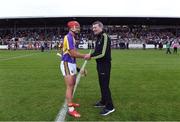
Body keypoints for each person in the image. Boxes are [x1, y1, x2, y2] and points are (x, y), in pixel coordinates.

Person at [85, 21, 115, 116]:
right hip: (100, 65)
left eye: (95, 27)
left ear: (101, 28)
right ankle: (103, 101)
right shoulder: (98, 38)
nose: (93, 29)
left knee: (105, 86)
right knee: (102, 84)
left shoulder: (105, 37)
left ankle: (110, 107)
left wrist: (90, 56)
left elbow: (102, 53)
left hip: (105, 65)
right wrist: (92, 55)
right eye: (93, 28)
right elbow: (97, 51)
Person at [60, 20, 88, 118]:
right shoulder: (68, 37)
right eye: (77, 27)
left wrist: (79, 69)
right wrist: (85, 56)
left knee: (73, 84)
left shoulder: (72, 38)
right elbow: (72, 53)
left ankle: (71, 102)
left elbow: (73, 56)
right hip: (67, 64)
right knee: (70, 85)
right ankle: (71, 109)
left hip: (71, 64)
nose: (78, 28)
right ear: (72, 27)